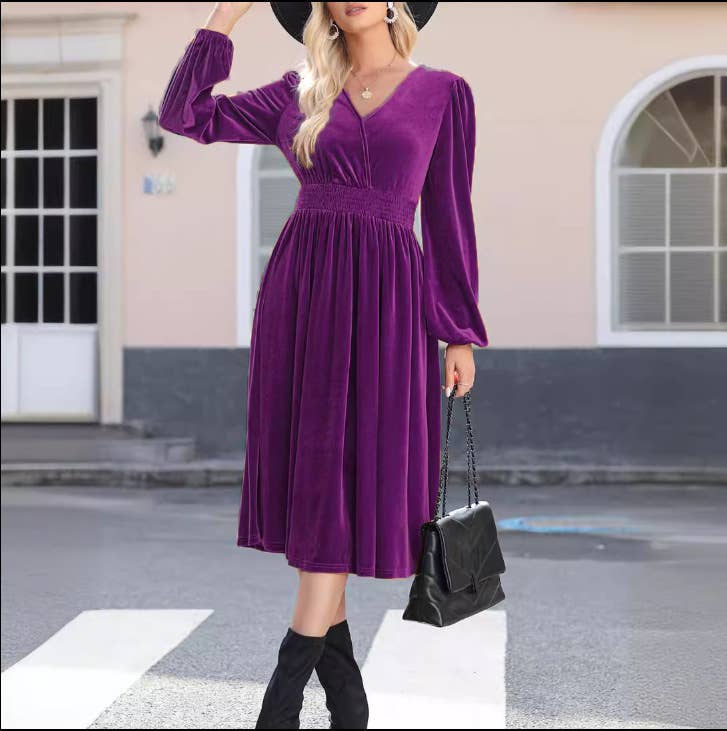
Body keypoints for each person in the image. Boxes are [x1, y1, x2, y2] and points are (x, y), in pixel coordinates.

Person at [158, 2, 489, 727]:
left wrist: (457, 331)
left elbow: (448, 215)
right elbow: (183, 114)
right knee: (317, 482)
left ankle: (289, 704)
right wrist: (225, 16)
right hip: (304, 296)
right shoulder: (297, 89)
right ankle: (336, 704)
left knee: (355, 473)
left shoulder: (443, 93)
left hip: (390, 304)